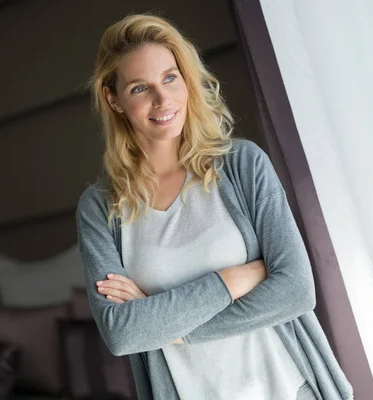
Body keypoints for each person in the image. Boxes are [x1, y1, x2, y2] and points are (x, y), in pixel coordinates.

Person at [76, 13, 353, 400]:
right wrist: (233, 280)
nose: (162, 100)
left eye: (170, 78)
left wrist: (169, 326)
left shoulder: (243, 165)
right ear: (114, 98)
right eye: (140, 88)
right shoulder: (101, 208)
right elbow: (124, 333)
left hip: (291, 389)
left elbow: (295, 291)